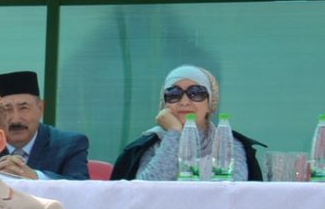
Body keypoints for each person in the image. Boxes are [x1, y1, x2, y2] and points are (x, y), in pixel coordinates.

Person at [110, 65, 265, 181]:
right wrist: (175, 134)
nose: (184, 102)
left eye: (196, 93)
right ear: (165, 104)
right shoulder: (149, 145)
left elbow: (236, 195)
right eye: (174, 94)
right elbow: (146, 192)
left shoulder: (229, 142)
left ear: (210, 103)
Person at [0, 71, 90, 180]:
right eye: (6, 109)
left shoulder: (69, 144)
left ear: (40, 108)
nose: (16, 119)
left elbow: (81, 186)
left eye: (24, 108)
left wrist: (36, 177)